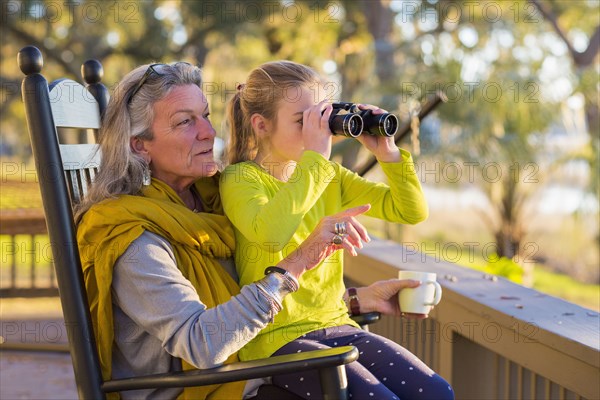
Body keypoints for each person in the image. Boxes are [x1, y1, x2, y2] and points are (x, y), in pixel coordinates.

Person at [74, 61, 437, 400]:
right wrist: (298, 262)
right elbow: (204, 343)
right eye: (185, 122)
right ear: (140, 145)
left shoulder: (206, 203)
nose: (208, 132)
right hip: (205, 388)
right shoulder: (132, 237)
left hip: (251, 370)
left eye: (205, 116)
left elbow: (252, 302)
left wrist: (354, 299)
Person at [221, 60, 454, 399]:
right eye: (303, 121)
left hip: (336, 324)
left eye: (322, 118)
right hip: (277, 340)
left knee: (436, 392)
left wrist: (386, 153)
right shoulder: (241, 179)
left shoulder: (328, 176)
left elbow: (410, 210)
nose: (317, 132)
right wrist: (315, 158)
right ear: (261, 125)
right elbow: (272, 234)